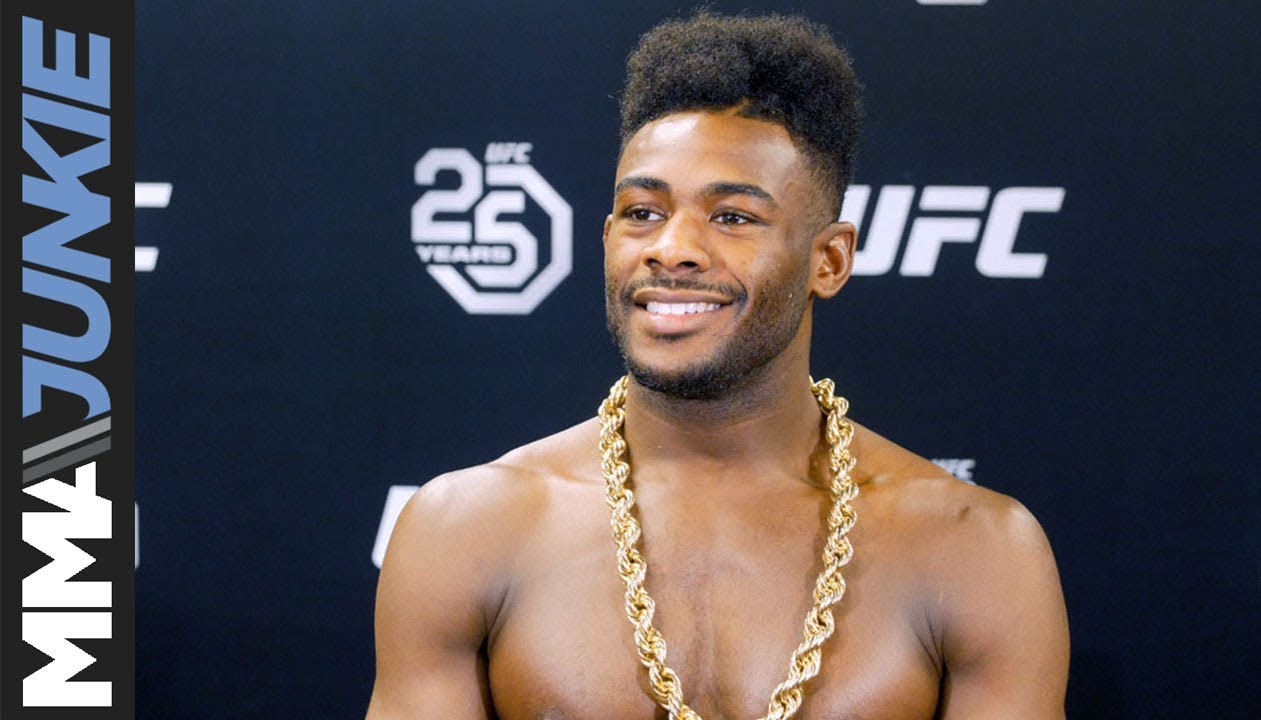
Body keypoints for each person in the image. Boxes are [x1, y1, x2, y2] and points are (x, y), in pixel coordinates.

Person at [367, 12, 1069, 720]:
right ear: (607, 237)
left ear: (829, 260)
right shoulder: (466, 531)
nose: (671, 249)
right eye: (643, 212)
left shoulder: (973, 549)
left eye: (732, 217)